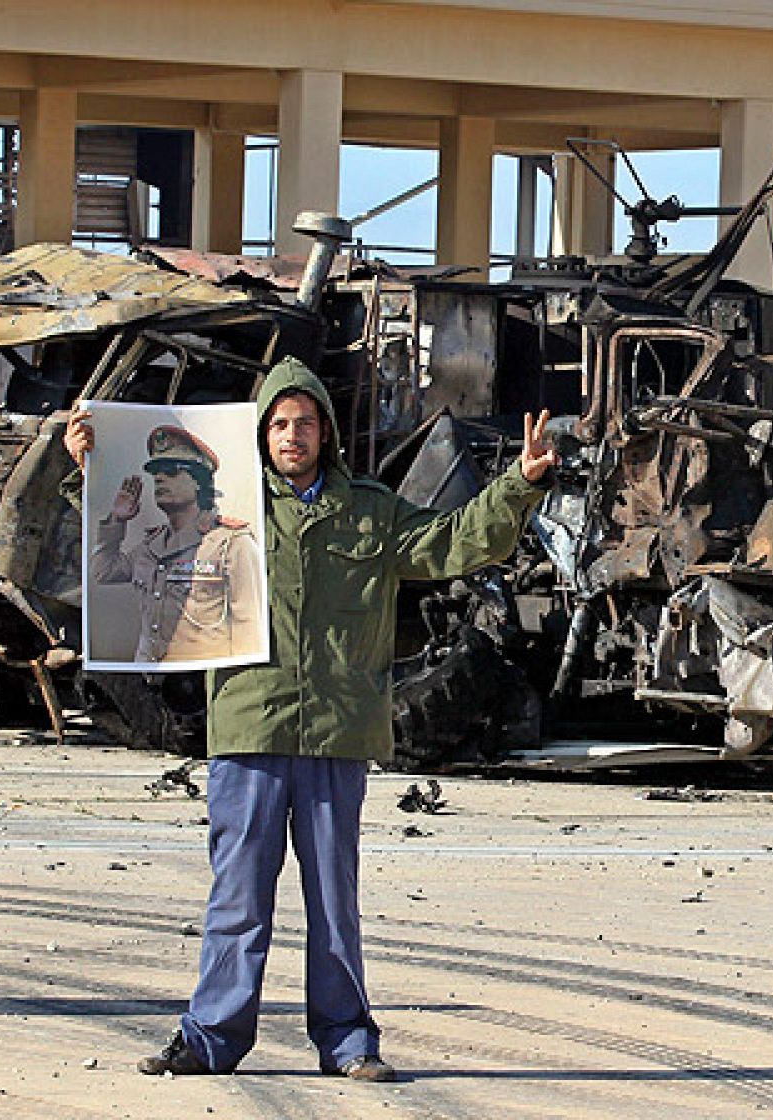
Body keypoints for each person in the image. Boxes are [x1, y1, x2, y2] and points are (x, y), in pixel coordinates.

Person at [64, 356, 556, 1082]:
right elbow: (135, 539)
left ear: (325, 432)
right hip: (249, 729)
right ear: (261, 435)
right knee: (237, 897)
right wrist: (92, 464)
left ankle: (349, 1040)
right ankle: (209, 1038)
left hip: (336, 733)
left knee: (335, 904)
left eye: (305, 422)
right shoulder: (219, 508)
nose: (292, 434)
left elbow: (456, 543)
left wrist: (522, 483)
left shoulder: (370, 511)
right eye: (279, 423)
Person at [89, 425, 263, 664]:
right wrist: (117, 520)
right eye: (157, 472)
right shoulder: (151, 546)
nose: (159, 477)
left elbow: (251, 632)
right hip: (146, 677)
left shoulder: (232, 544)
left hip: (200, 686)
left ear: (200, 482)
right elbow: (102, 572)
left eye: (171, 471)